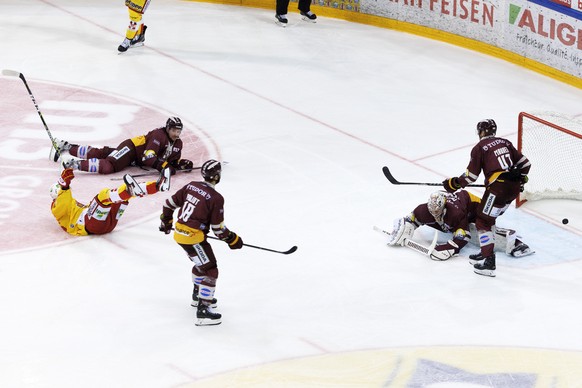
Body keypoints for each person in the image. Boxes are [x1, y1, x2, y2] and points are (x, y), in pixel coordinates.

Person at [442, 119, 531, 277]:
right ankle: (485, 252)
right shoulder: (506, 142)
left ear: (481, 132)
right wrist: (521, 177)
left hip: (498, 189)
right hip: (514, 189)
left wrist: (454, 183)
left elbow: (471, 177)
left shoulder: (480, 147)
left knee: (483, 221)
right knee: (490, 217)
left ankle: (489, 262)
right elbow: (525, 164)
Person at [159, 159, 243, 326]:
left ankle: (198, 297)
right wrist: (233, 240)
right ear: (217, 176)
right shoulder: (216, 198)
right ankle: (203, 311)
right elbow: (218, 230)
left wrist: (166, 222)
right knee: (211, 269)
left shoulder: (191, 186)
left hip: (180, 236)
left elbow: (168, 204)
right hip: (193, 239)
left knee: (201, 265)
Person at [387, 190, 534, 261]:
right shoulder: (424, 209)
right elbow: (410, 218)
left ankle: (514, 242)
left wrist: (449, 247)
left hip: (475, 207)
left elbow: (463, 236)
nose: (435, 214)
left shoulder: (454, 213)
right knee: (453, 227)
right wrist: (405, 227)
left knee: (480, 233)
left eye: (438, 211)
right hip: (460, 208)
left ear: (444, 206)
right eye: (433, 211)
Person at [50, 166, 171, 236]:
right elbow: (62, 202)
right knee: (103, 196)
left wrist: (65, 188)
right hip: (89, 226)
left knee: (121, 195)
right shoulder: (56, 206)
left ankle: (157, 186)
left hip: (104, 224)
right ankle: (132, 191)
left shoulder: (70, 205)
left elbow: (67, 201)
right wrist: (64, 186)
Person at [50, 117, 194, 175]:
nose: (177, 133)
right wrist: (163, 167)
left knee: (101, 153)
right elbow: (148, 158)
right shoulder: (158, 135)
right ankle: (74, 164)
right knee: (109, 166)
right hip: (131, 150)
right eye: (174, 130)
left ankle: (66, 147)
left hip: (133, 156)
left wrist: (180, 164)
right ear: (168, 128)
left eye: (179, 131)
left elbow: (170, 161)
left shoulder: (178, 144)